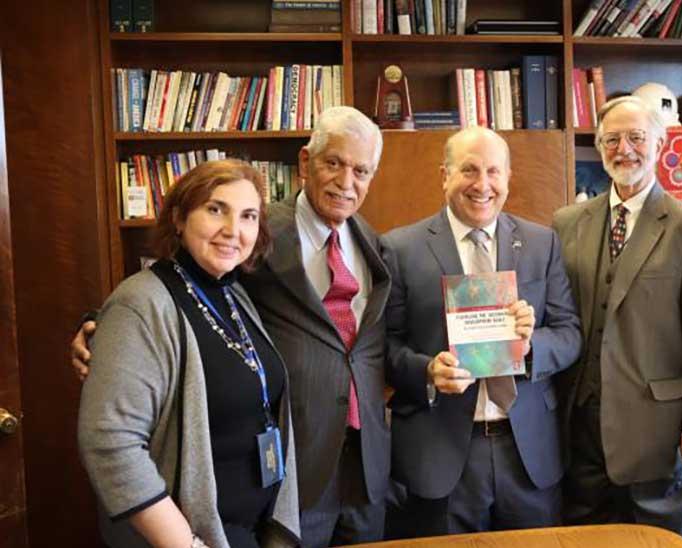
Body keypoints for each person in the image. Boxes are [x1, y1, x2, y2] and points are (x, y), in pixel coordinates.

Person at [73, 106, 391, 546]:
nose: (345, 180)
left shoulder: (371, 243)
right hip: (233, 508)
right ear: (305, 163)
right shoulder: (262, 235)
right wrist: (98, 325)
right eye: (333, 163)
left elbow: (378, 342)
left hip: (342, 473)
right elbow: (156, 298)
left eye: (361, 170)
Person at [77, 159, 300, 548]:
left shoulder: (234, 293)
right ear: (179, 218)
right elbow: (109, 442)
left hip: (248, 531)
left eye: (248, 216)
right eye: (216, 209)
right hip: (192, 538)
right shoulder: (140, 303)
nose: (233, 230)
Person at [381, 126, 581, 535]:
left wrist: (529, 347)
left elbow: (569, 333)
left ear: (508, 178)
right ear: (445, 176)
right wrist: (426, 371)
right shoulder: (400, 248)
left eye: (494, 171)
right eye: (469, 170)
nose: (483, 185)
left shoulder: (542, 243)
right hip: (440, 453)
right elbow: (384, 348)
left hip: (526, 451)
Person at [551, 96, 682, 545]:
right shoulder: (567, 223)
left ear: (661, 143)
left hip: (658, 432)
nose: (623, 148)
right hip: (580, 427)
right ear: (599, 145)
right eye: (612, 139)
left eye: (636, 137)